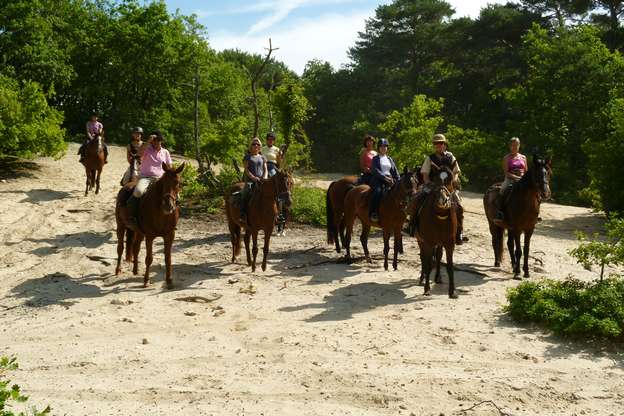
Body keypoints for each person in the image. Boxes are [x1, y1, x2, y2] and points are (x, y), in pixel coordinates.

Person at [418, 134, 467, 244]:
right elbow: (425, 175)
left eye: (440, 143)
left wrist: (454, 181)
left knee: (459, 206)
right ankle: (411, 226)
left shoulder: (451, 157)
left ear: (445, 145)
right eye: (436, 144)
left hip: (449, 187)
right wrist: (429, 184)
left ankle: (459, 232)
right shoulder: (429, 158)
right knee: (417, 200)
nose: (438, 145)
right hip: (433, 186)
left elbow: (456, 172)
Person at [125, 130, 173, 231]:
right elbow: (138, 154)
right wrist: (147, 141)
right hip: (146, 177)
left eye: (158, 141)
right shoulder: (147, 149)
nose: (157, 143)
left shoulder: (165, 152)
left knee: (172, 195)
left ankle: (172, 219)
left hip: (160, 179)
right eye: (154, 141)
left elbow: (169, 167)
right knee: (138, 192)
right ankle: (132, 217)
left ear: (161, 141)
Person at [495, 137, 528, 221]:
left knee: (533, 191)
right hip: (510, 178)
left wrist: (523, 178)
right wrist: (517, 178)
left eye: (516, 145)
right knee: (503, 189)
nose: (514, 147)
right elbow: (506, 173)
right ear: (509, 146)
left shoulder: (523, 157)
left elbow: (526, 170)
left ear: (519, 146)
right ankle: (500, 212)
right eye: (512, 145)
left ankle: (534, 213)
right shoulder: (506, 158)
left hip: (522, 179)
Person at [369, 138, 399, 222]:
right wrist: (385, 178)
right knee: (378, 192)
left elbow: (395, 171)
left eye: (385, 146)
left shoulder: (390, 159)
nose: (383, 148)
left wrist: (398, 180)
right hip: (378, 180)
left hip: (390, 180)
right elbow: (375, 170)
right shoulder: (375, 158)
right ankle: (373, 212)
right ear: (378, 148)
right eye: (381, 146)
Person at [239, 137, 268, 224]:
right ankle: (242, 215)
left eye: (258, 144)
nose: (256, 145)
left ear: (260, 146)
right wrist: (254, 178)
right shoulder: (247, 157)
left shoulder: (263, 157)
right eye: (254, 144)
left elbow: (265, 169)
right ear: (250, 146)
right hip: (250, 181)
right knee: (245, 194)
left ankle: (276, 216)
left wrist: (265, 177)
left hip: (262, 181)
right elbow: (246, 170)